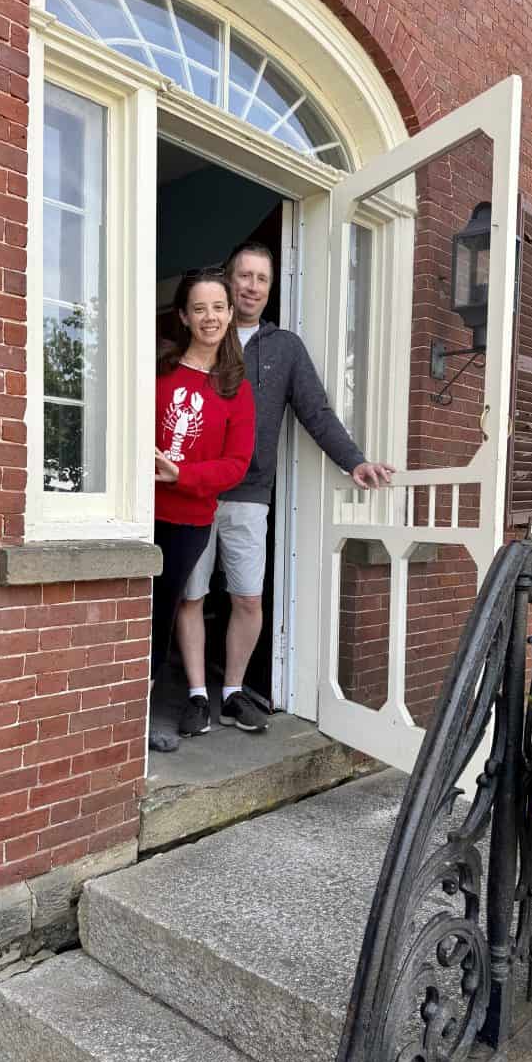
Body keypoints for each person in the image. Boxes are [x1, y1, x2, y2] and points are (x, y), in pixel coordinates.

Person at [176, 241, 394, 736]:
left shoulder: (284, 348)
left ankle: (231, 691)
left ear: (269, 289)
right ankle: (194, 694)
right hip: (191, 492)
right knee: (190, 596)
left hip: (249, 492)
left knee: (247, 599)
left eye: (262, 279)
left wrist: (354, 461)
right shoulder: (202, 335)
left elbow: (315, 411)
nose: (251, 286)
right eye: (244, 276)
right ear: (227, 281)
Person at [151, 267, 256, 752]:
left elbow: (236, 464)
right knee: (139, 611)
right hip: (141, 512)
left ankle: (146, 711)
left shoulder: (236, 388)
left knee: (167, 609)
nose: (210, 317)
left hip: (189, 520)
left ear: (231, 314)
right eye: (199, 308)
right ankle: (131, 714)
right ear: (184, 317)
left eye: (218, 307)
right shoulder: (161, 371)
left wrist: (183, 476)